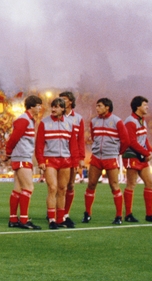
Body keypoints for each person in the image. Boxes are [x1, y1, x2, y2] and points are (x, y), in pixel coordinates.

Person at [83, 98, 128, 225]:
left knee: (114, 185)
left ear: (107, 107)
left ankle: (119, 216)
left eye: (99, 106)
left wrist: (117, 152)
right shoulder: (94, 121)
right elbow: (93, 137)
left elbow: (125, 140)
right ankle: (87, 213)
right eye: (96, 106)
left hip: (110, 157)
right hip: (97, 157)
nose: (97, 108)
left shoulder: (117, 121)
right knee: (91, 184)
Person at [35, 98, 77, 229]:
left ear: (63, 109)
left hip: (65, 160)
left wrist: (75, 162)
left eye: (57, 107)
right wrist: (41, 161)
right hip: (50, 159)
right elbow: (39, 144)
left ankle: (60, 219)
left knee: (62, 189)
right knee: (52, 188)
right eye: (52, 106)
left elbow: (73, 145)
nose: (53, 109)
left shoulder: (69, 124)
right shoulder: (44, 123)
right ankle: (51, 219)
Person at [123, 96, 152, 223]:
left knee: (150, 182)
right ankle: (128, 214)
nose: (147, 107)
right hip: (131, 155)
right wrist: (146, 152)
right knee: (131, 184)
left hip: (141, 156)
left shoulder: (142, 121)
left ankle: (149, 214)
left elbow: (144, 138)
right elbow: (131, 141)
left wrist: (150, 151)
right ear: (138, 107)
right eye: (145, 105)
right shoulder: (130, 121)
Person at [4, 95, 42, 230]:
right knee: (28, 187)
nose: (40, 108)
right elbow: (13, 138)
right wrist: (8, 153)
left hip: (21, 156)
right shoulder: (24, 120)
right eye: (38, 105)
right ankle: (24, 220)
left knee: (18, 189)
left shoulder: (28, 120)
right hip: (22, 157)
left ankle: (13, 219)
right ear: (31, 106)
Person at [58, 91, 85, 221]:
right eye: (60, 99)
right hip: (58, 154)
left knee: (70, 185)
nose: (61, 101)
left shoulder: (78, 118)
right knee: (57, 186)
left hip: (72, 156)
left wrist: (81, 158)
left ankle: (65, 213)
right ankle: (54, 211)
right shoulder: (56, 116)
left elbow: (80, 140)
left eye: (64, 99)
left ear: (71, 101)